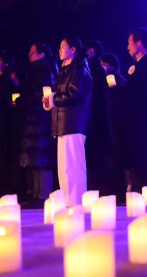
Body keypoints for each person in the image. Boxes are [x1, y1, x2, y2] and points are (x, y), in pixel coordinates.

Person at [43, 36, 92, 206]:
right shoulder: (64, 70)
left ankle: (77, 203)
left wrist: (54, 99)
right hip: (63, 124)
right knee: (64, 168)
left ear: (73, 49)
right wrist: (49, 102)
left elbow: (75, 93)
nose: (60, 49)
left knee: (74, 167)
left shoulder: (79, 69)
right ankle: (68, 202)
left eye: (63, 46)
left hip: (73, 123)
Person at [123, 27, 147, 200]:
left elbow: (145, 96)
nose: (128, 47)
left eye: (130, 43)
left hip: (145, 124)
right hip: (136, 124)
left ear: (139, 43)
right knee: (138, 163)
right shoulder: (139, 65)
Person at [18, 42, 58, 205]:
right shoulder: (34, 72)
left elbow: (43, 94)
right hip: (33, 120)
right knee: (33, 158)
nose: (30, 55)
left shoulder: (45, 70)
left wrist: (26, 99)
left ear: (41, 54)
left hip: (40, 121)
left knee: (42, 158)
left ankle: (43, 194)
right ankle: (36, 193)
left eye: (33, 52)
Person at [84, 40, 111, 193]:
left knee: (96, 159)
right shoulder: (94, 68)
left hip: (95, 119)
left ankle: (98, 190)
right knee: (96, 159)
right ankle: (98, 189)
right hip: (98, 119)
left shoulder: (94, 69)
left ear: (92, 51)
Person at [100, 53, 128, 200]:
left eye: (104, 65)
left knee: (116, 161)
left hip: (117, 127)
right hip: (109, 126)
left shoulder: (119, 80)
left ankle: (118, 193)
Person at [0, 50, 17, 198]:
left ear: (5, 64)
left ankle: (5, 190)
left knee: (3, 156)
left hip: (4, 125)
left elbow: (7, 104)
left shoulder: (7, 82)